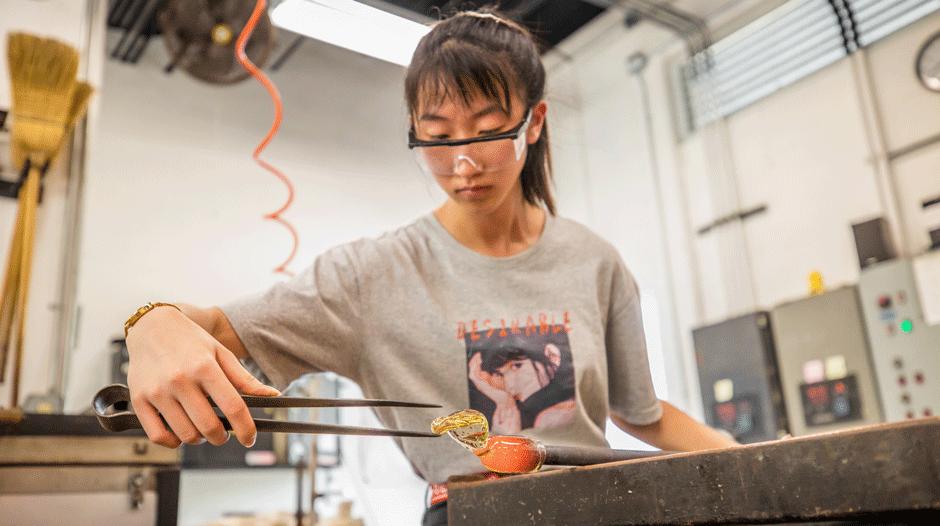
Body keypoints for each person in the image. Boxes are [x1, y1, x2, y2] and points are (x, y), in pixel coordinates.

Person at [123, 7, 739, 526]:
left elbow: (644, 413)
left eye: (489, 131)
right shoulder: (369, 277)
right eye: (438, 136)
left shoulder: (594, 261)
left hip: (602, 510)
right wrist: (151, 325)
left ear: (536, 122)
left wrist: (750, 457)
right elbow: (209, 328)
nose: (464, 162)